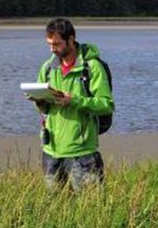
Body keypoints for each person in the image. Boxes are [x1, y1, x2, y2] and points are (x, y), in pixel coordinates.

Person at [27, 18, 114, 191]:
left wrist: (74, 100)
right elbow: (43, 110)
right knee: (56, 208)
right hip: (51, 151)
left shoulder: (92, 68)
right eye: (50, 44)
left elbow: (106, 104)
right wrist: (39, 101)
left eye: (57, 44)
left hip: (82, 153)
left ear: (71, 39)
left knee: (91, 207)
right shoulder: (48, 68)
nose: (53, 49)